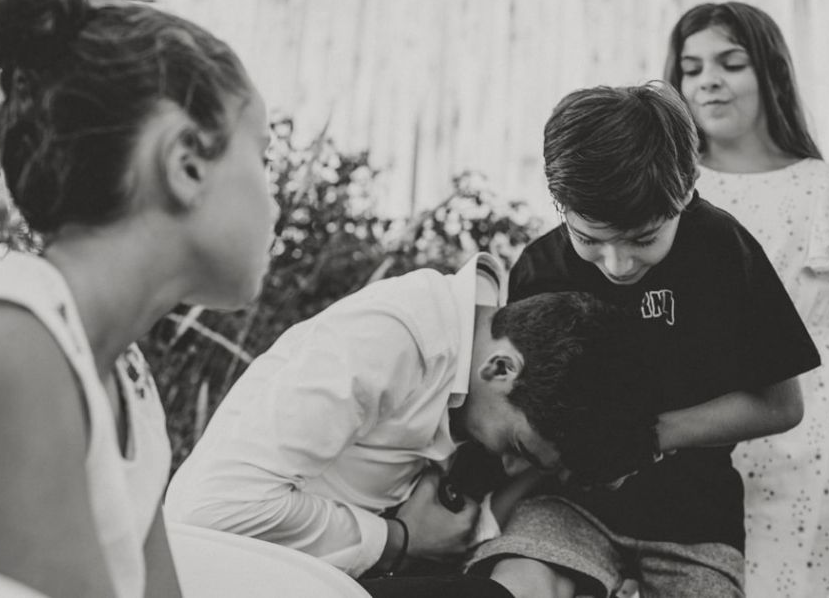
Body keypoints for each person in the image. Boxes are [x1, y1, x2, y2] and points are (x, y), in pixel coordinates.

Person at [0, 0, 279, 596]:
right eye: (261, 157)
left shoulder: (127, 381)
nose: (274, 203)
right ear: (186, 163)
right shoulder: (9, 340)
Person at [462, 82, 821, 598]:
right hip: (568, 505)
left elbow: (781, 405)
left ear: (687, 190)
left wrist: (647, 439)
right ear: (561, 203)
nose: (618, 264)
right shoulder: (540, 268)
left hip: (696, 518)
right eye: (590, 240)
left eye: (644, 238)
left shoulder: (724, 251)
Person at [164, 252, 640, 597]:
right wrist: (397, 542)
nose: (512, 466)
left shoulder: (482, 380)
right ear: (500, 369)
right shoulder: (390, 339)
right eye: (519, 445)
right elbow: (211, 509)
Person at [664, 1, 829, 597]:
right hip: (696, 440)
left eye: (730, 63)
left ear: (769, 72)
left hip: (816, 446)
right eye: (691, 69)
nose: (708, 81)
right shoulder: (669, 190)